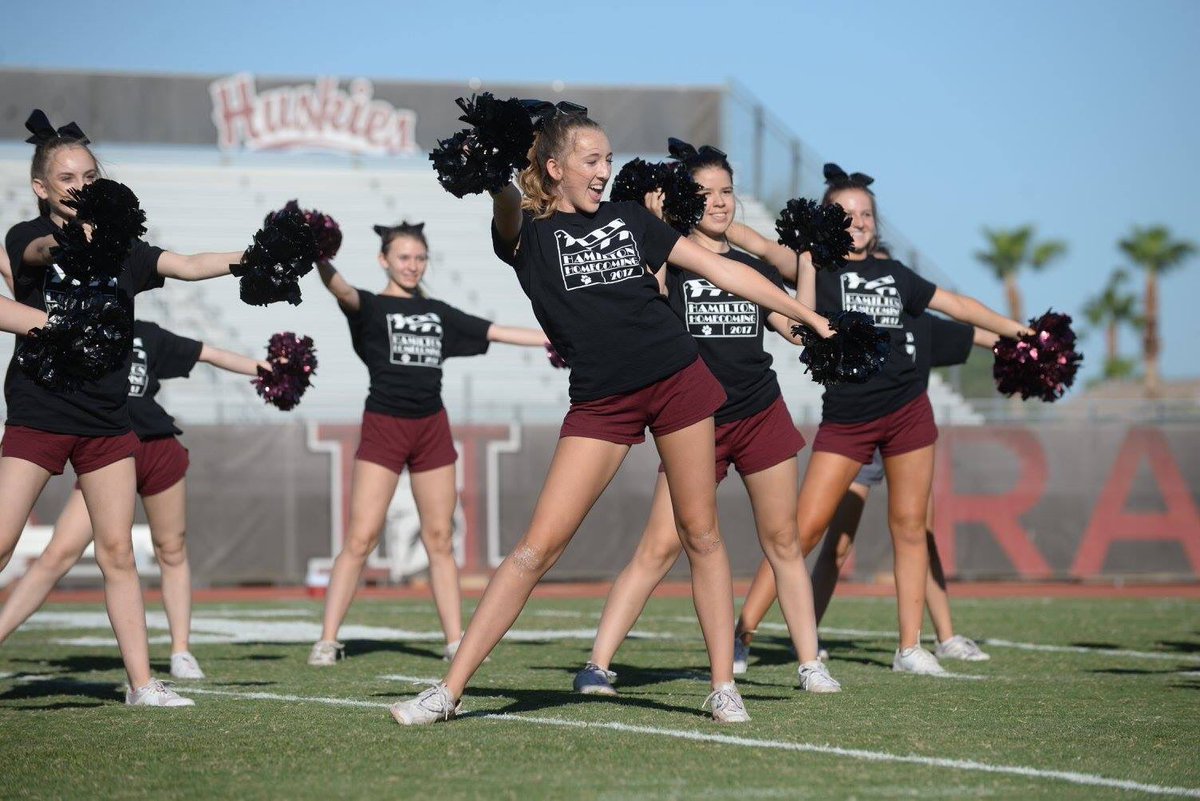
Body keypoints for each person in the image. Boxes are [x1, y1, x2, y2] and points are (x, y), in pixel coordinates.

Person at [389, 105, 834, 725]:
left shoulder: (629, 218)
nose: (605, 171)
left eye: (608, 159)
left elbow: (720, 268)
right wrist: (491, 173)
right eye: (592, 160)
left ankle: (722, 685)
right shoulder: (528, 234)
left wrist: (808, 316)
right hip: (602, 399)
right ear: (555, 167)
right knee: (536, 548)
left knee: (701, 535)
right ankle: (448, 691)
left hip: (678, 380)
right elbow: (507, 204)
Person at [724, 163, 1029, 676]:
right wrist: (703, 215)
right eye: (847, 214)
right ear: (828, 221)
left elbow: (957, 306)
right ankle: (743, 634)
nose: (859, 222)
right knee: (803, 532)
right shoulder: (816, 269)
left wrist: (1020, 332)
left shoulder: (897, 275)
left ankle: (910, 647)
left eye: (866, 214)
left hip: (909, 413)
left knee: (910, 528)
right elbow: (758, 245)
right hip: (849, 418)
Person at [572, 143, 839, 698]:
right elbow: (647, 302)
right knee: (659, 547)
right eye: (706, 193)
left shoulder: (753, 268)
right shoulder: (670, 259)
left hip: (760, 412)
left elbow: (797, 331)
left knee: (784, 541)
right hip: (694, 420)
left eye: (727, 191)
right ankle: (597, 664)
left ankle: (810, 663)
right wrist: (652, 228)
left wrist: (809, 262)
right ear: (684, 200)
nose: (719, 202)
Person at [1, 111, 242, 706]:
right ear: (41, 187)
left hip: (107, 419)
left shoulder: (125, 251)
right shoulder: (26, 236)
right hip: (40, 409)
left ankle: (142, 684)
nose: (79, 186)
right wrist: (76, 245)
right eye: (66, 178)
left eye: (89, 176)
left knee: (117, 553)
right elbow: (37, 251)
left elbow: (188, 265)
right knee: (2, 543)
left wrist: (254, 256)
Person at [309, 221, 552, 667]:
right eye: (403, 257)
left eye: (420, 258)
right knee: (361, 537)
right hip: (384, 425)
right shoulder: (371, 306)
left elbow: (496, 331)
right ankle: (327, 640)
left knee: (440, 538)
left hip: (431, 429)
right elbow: (340, 289)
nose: (413, 265)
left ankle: (455, 640)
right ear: (384, 260)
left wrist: (557, 341)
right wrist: (319, 255)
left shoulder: (438, 312)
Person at [0, 320, 268, 680]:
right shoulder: (74, 326)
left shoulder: (148, 333)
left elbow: (211, 354)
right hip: (106, 452)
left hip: (155, 447)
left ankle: (181, 651)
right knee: (59, 554)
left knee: (172, 549)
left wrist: (268, 369)